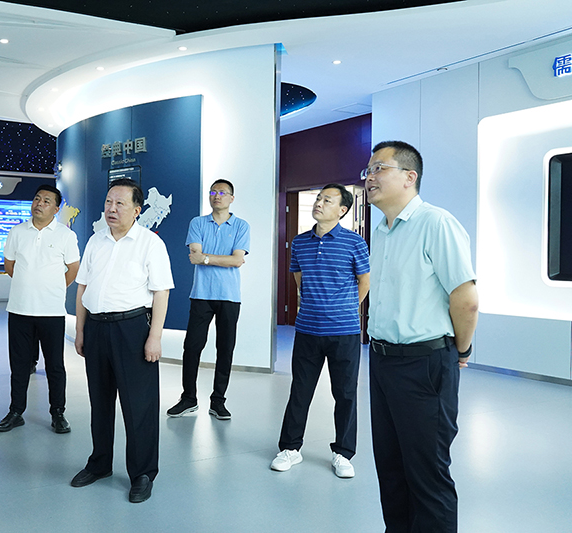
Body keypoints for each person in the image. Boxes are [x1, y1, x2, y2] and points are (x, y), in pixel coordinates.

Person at [363, 141, 478, 532]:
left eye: (379, 168)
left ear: (409, 177)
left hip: (424, 364)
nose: (369, 177)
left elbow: (466, 299)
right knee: (391, 468)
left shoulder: (436, 223)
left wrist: (462, 350)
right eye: (368, 170)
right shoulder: (381, 230)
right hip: (381, 361)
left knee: (427, 474)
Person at [70, 178, 174, 504]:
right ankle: (99, 463)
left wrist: (154, 337)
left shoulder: (150, 243)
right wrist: (81, 331)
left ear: (137, 210)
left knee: (139, 405)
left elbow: (161, 292)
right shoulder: (95, 241)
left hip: (132, 330)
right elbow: (82, 288)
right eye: (108, 202)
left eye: (120, 203)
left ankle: (142, 473)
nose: (111, 209)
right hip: (96, 328)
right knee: (100, 402)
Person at [270, 184, 370, 478]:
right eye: (318, 198)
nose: (319, 203)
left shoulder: (355, 242)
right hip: (307, 329)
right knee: (300, 391)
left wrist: (345, 308)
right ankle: (290, 448)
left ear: (342, 210)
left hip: (344, 331)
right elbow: (299, 278)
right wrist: (316, 303)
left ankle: (343, 453)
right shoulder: (300, 242)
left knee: (345, 394)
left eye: (328, 200)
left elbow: (364, 281)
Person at [0, 184, 80, 434]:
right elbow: (10, 265)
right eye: (37, 198)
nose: (39, 204)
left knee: (55, 365)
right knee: (19, 365)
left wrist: (51, 288)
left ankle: (58, 413)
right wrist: (28, 285)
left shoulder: (65, 235)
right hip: (19, 309)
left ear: (56, 208)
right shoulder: (17, 232)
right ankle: (16, 412)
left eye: (46, 201)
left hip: (51, 311)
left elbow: (73, 269)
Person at [167, 179, 250, 420]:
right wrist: (218, 259)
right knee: (192, 347)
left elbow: (237, 260)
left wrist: (206, 258)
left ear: (231, 198)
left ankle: (218, 401)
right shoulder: (197, 223)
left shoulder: (241, 226)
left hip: (229, 297)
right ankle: (188, 398)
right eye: (213, 192)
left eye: (222, 192)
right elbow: (195, 255)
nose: (217, 196)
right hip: (201, 294)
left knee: (225, 349)